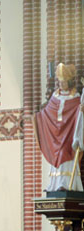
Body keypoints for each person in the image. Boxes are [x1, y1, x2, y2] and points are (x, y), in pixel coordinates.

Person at [34, 62, 84, 192]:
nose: (61, 84)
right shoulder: (55, 96)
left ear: (69, 82)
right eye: (60, 82)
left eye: (64, 82)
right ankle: (55, 184)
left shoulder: (75, 97)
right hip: (56, 133)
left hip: (69, 132)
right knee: (56, 153)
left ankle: (67, 184)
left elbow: (77, 114)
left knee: (64, 153)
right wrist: (39, 117)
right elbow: (49, 112)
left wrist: (81, 110)